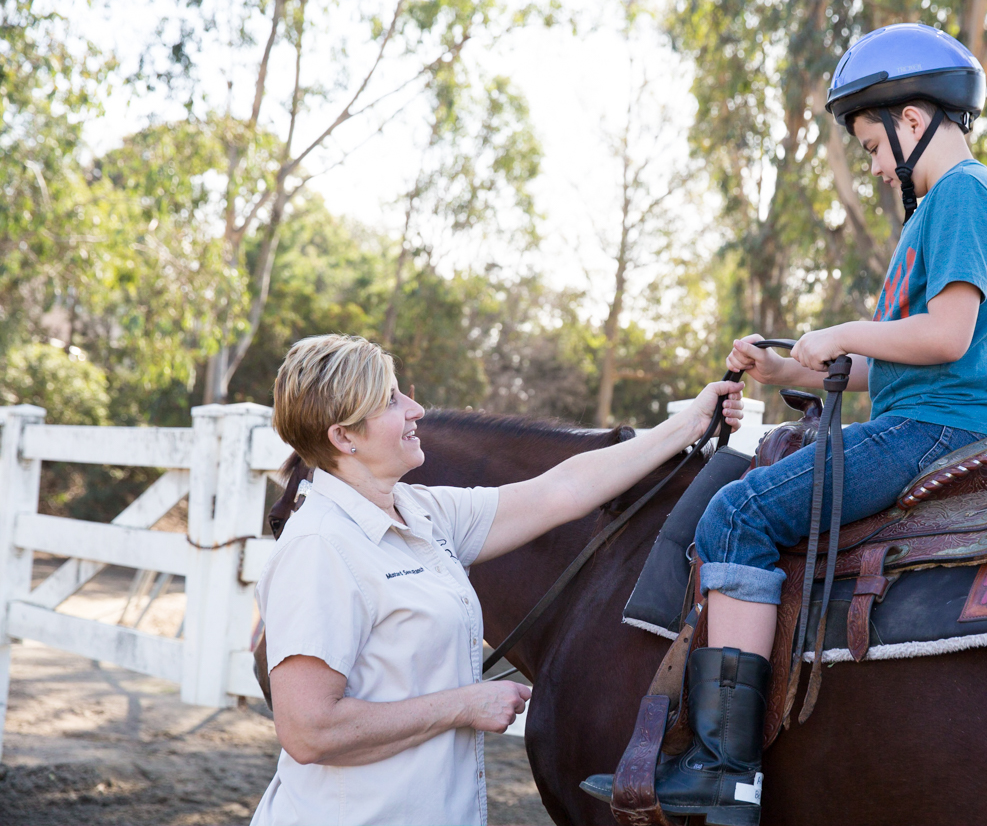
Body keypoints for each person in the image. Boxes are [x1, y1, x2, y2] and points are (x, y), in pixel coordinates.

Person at [583, 23, 987, 825]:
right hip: (929, 408)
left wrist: (846, 330)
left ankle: (726, 769)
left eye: (870, 144)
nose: (876, 164)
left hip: (941, 427)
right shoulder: (936, 214)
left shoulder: (961, 194)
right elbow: (902, 362)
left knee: (739, 511)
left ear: (913, 117)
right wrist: (792, 367)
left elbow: (948, 336)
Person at [251, 333, 744, 826]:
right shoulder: (320, 547)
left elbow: (562, 491)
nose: (415, 409)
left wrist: (690, 423)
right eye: (391, 401)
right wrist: (463, 705)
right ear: (344, 437)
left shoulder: (422, 514)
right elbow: (309, 731)